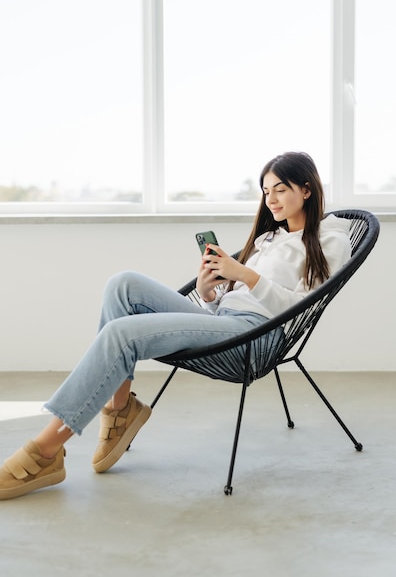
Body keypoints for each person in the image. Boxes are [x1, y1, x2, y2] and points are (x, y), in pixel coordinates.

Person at [0, 151, 352, 500]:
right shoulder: (267, 240)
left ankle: (45, 452)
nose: (270, 199)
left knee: (121, 335)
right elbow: (234, 300)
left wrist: (244, 273)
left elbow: (300, 307)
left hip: (255, 339)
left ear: (306, 190)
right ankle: (120, 410)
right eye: (265, 191)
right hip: (225, 323)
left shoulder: (330, 240)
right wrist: (208, 292)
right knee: (123, 284)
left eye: (279, 189)